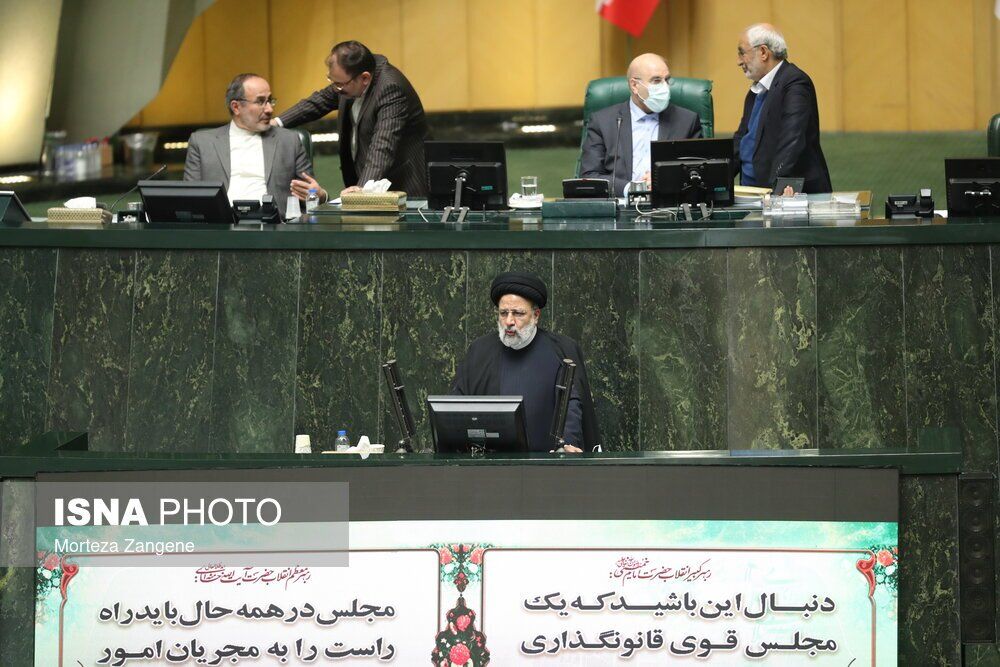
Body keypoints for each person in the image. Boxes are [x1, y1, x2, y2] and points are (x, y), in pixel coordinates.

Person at [452, 272, 601, 453]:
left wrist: (567, 445)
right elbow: (455, 409)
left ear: (536, 315)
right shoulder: (479, 351)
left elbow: (571, 406)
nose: (509, 321)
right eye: (503, 313)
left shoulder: (562, 350)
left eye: (518, 313)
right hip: (490, 471)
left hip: (544, 471)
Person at [271, 40, 428, 197]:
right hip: (366, 184)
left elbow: (383, 145)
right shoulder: (351, 78)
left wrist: (361, 191)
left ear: (364, 78)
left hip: (402, 187)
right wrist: (276, 123)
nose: (335, 89)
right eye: (331, 81)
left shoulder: (391, 87)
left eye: (339, 84)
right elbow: (320, 100)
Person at [184, 73, 327, 217]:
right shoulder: (202, 142)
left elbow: (311, 194)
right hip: (221, 228)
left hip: (275, 228)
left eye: (270, 101)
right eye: (260, 102)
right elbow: (189, 198)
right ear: (236, 107)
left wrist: (320, 195)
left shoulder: (289, 141)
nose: (269, 109)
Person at [580, 53, 702, 197]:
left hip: (668, 206)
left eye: (667, 80)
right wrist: (632, 188)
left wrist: (665, 179)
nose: (665, 87)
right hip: (620, 207)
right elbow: (589, 176)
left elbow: (700, 173)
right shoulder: (603, 121)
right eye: (656, 81)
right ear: (635, 85)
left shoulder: (687, 121)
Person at [733, 23, 832, 193]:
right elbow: (741, 140)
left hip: (786, 194)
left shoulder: (795, 83)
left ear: (763, 52)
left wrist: (775, 188)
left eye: (742, 53)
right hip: (754, 194)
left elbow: (792, 139)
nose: (738, 61)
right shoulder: (755, 91)